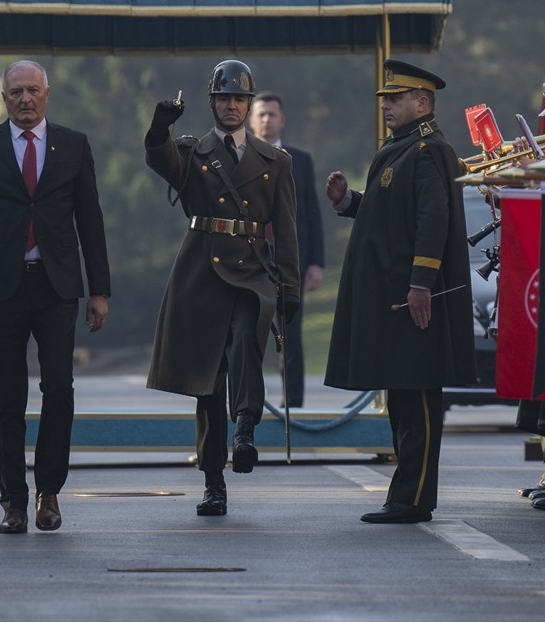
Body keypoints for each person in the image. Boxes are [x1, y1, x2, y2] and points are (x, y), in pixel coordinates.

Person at [0, 59, 111, 535]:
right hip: (1, 286)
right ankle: (13, 501)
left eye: (32, 91)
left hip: (57, 285)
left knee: (58, 389)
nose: (24, 99)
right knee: (8, 398)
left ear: (46, 94)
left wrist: (98, 289)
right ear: (3, 98)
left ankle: (49, 492)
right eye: (15, 92)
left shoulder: (74, 146)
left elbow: (91, 220)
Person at [145, 60, 300, 517]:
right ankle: (214, 482)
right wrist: (159, 129)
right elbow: (162, 161)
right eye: (223, 98)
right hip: (202, 272)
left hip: (252, 271)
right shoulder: (192, 152)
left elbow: (286, 229)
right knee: (208, 384)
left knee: (246, 341)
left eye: (239, 99)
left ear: (249, 105)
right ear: (212, 102)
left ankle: (246, 429)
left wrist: (289, 286)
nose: (231, 105)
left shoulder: (277, 161)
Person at [324, 59, 475, 524]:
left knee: (417, 398)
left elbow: (433, 222)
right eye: (385, 98)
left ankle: (412, 498)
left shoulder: (428, 150)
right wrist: (348, 202)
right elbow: (389, 216)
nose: (386, 105)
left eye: (395, 98)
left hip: (411, 297)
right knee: (403, 397)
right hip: (396, 296)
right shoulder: (403, 148)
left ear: (422, 103)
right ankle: (405, 495)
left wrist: (420, 284)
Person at [250, 92, 325, 407]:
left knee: (290, 335)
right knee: (248, 334)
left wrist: (316, 263)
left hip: (290, 261)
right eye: (261, 114)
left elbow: (311, 212)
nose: (267, 119)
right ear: (252, 119)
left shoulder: (300, 160)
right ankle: (247, 403)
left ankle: (293, 405)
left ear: (283, 120)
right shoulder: (239, 157)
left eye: (272, 114)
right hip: (248, 260)